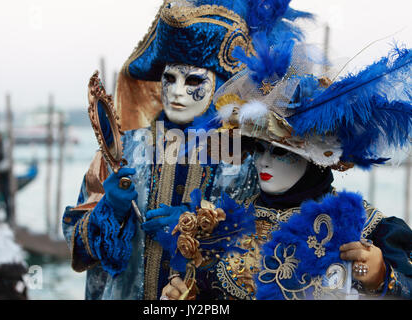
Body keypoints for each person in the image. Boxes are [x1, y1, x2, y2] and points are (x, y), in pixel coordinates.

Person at [62, 0, 311, 300]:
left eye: (193, 80)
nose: (178, 91)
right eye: (169, 79)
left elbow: (270, 243)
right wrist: (110, 211)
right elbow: (75, 243)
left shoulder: (245, 158)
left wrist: (199, 228)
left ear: (220, 84)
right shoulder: (122, 150)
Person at [159, 36, 412, 299]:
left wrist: (385, 278)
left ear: (313, 159)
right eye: (258, 148)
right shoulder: (224, 226)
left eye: (280, 151)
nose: (263, 161)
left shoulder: (365, 226)